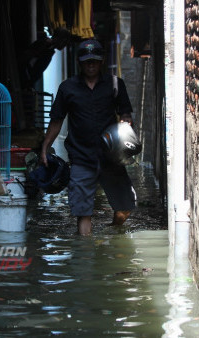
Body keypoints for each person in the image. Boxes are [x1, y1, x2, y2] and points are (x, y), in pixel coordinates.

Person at [40, 39, 136, 235]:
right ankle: (85, 255)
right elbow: (57, 121)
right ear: (79, 63)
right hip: (81, 157)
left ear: (100, 62)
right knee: (83, 212)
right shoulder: (67, 88)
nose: (90, 64)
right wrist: (44, 148)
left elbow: (126, 115)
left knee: (125, 208)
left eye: (94, 60)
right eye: (86, 61)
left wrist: (125, 133)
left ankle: (113, 230)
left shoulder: (115, 85)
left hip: (111, 157)